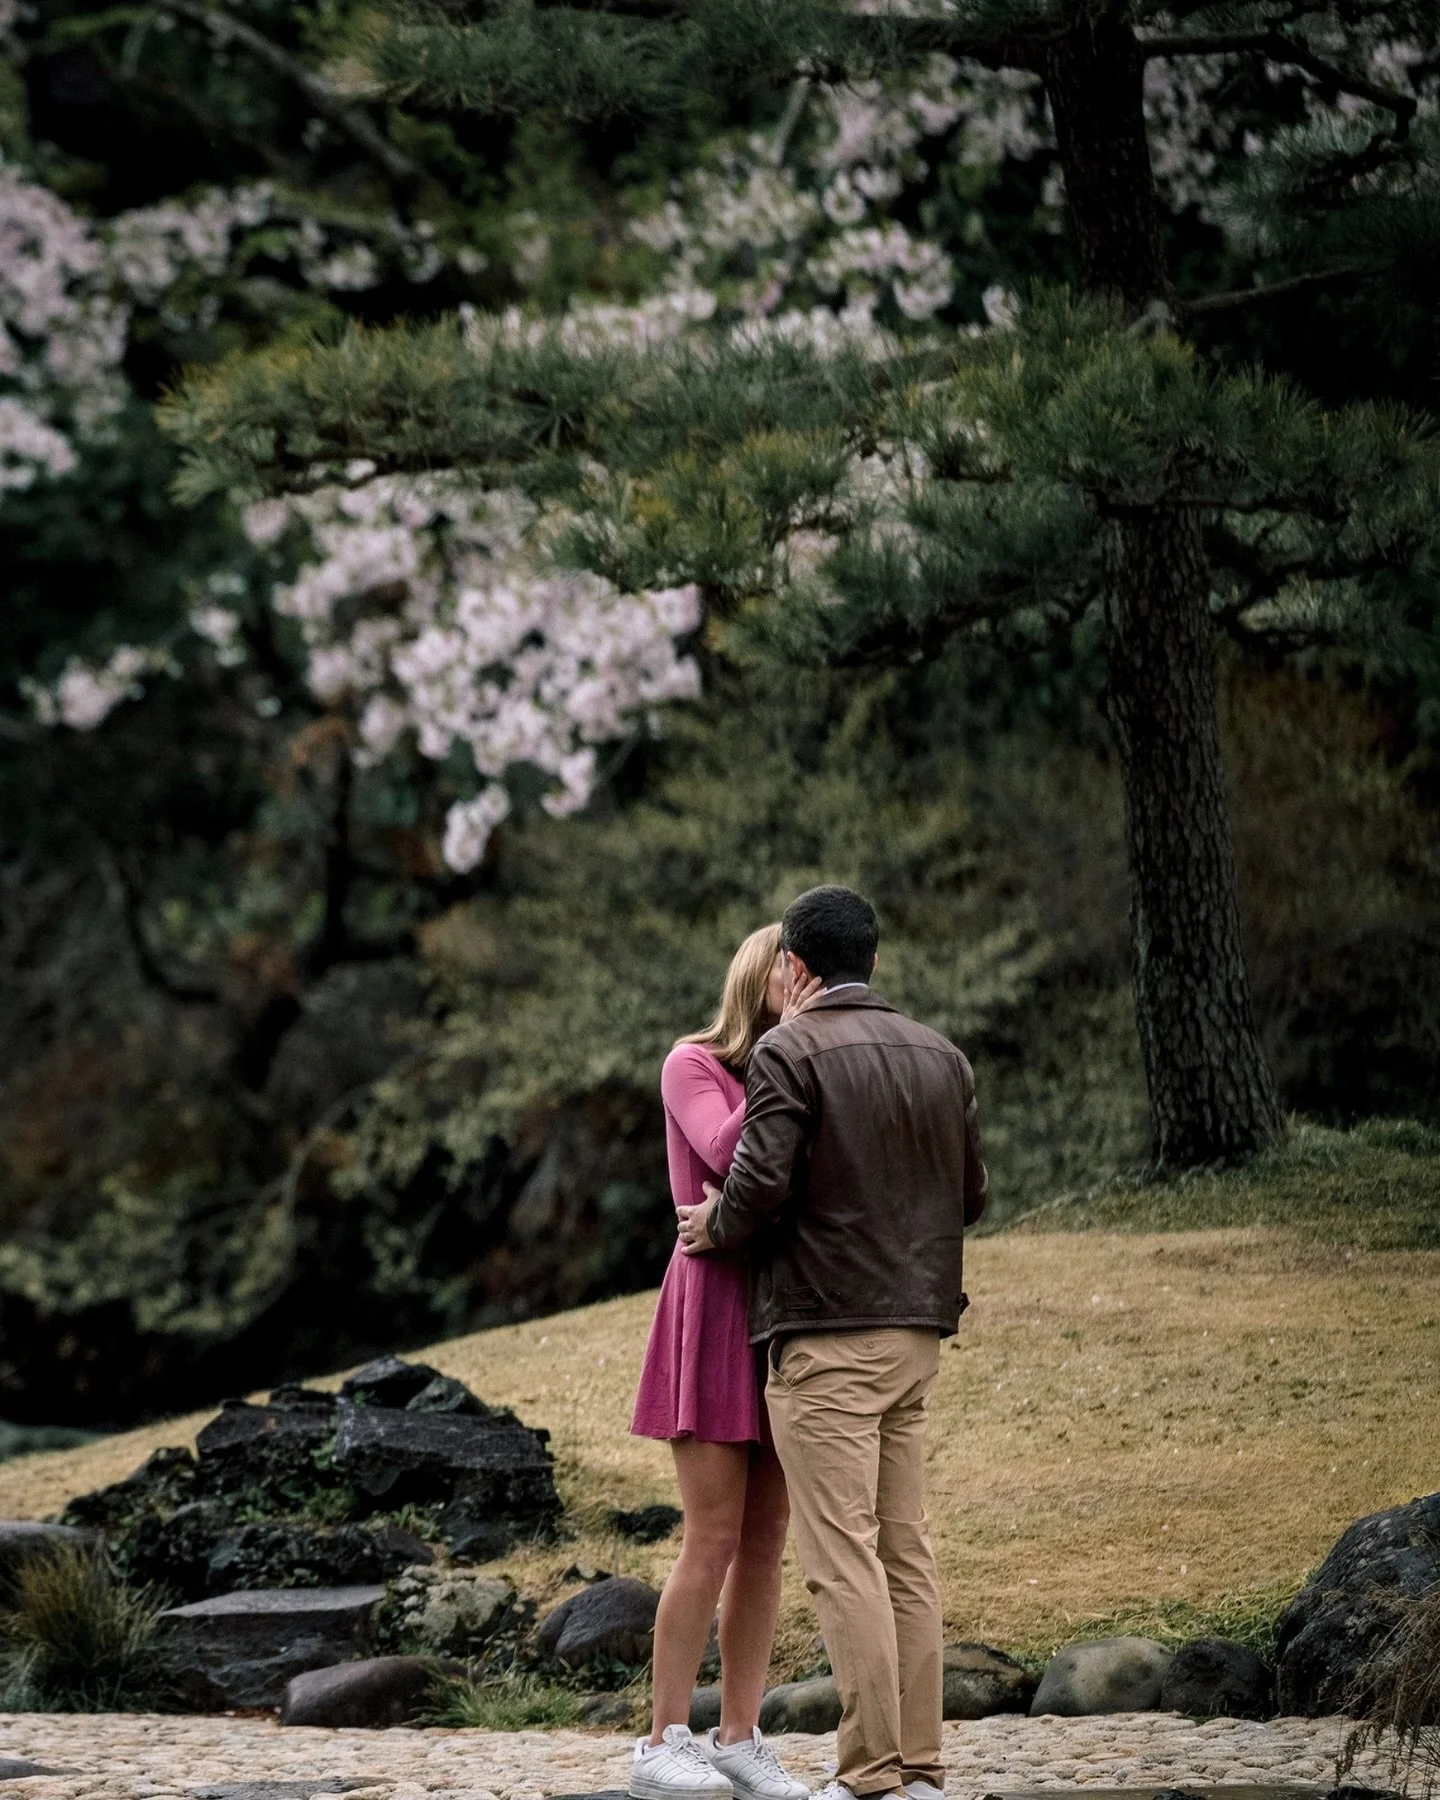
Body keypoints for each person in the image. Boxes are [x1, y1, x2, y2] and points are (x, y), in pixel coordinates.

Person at [678, 885, 988, 1800]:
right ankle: (923, 1771)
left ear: (794, 968)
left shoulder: (789, 1048)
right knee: (906, 1552)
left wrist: (714, 1228)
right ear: (877, 962)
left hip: (825, 1336)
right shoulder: (943, 1055)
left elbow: (759, 1180)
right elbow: (969, 1196)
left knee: (843, 1558)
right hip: (918, 1331)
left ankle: (870, 1778)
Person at [629, 923, 821, 1800]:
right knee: (711, 1535)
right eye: (797, 973)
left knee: (767, 1542)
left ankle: (741, 1737)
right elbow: (722, 1154)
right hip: (709, 1311)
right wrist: (787, 1052)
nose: (811, 988)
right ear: (768, 978)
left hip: (781, 1311)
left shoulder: (802, 1070)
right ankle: (661, 1740)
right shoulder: (691, 1063)